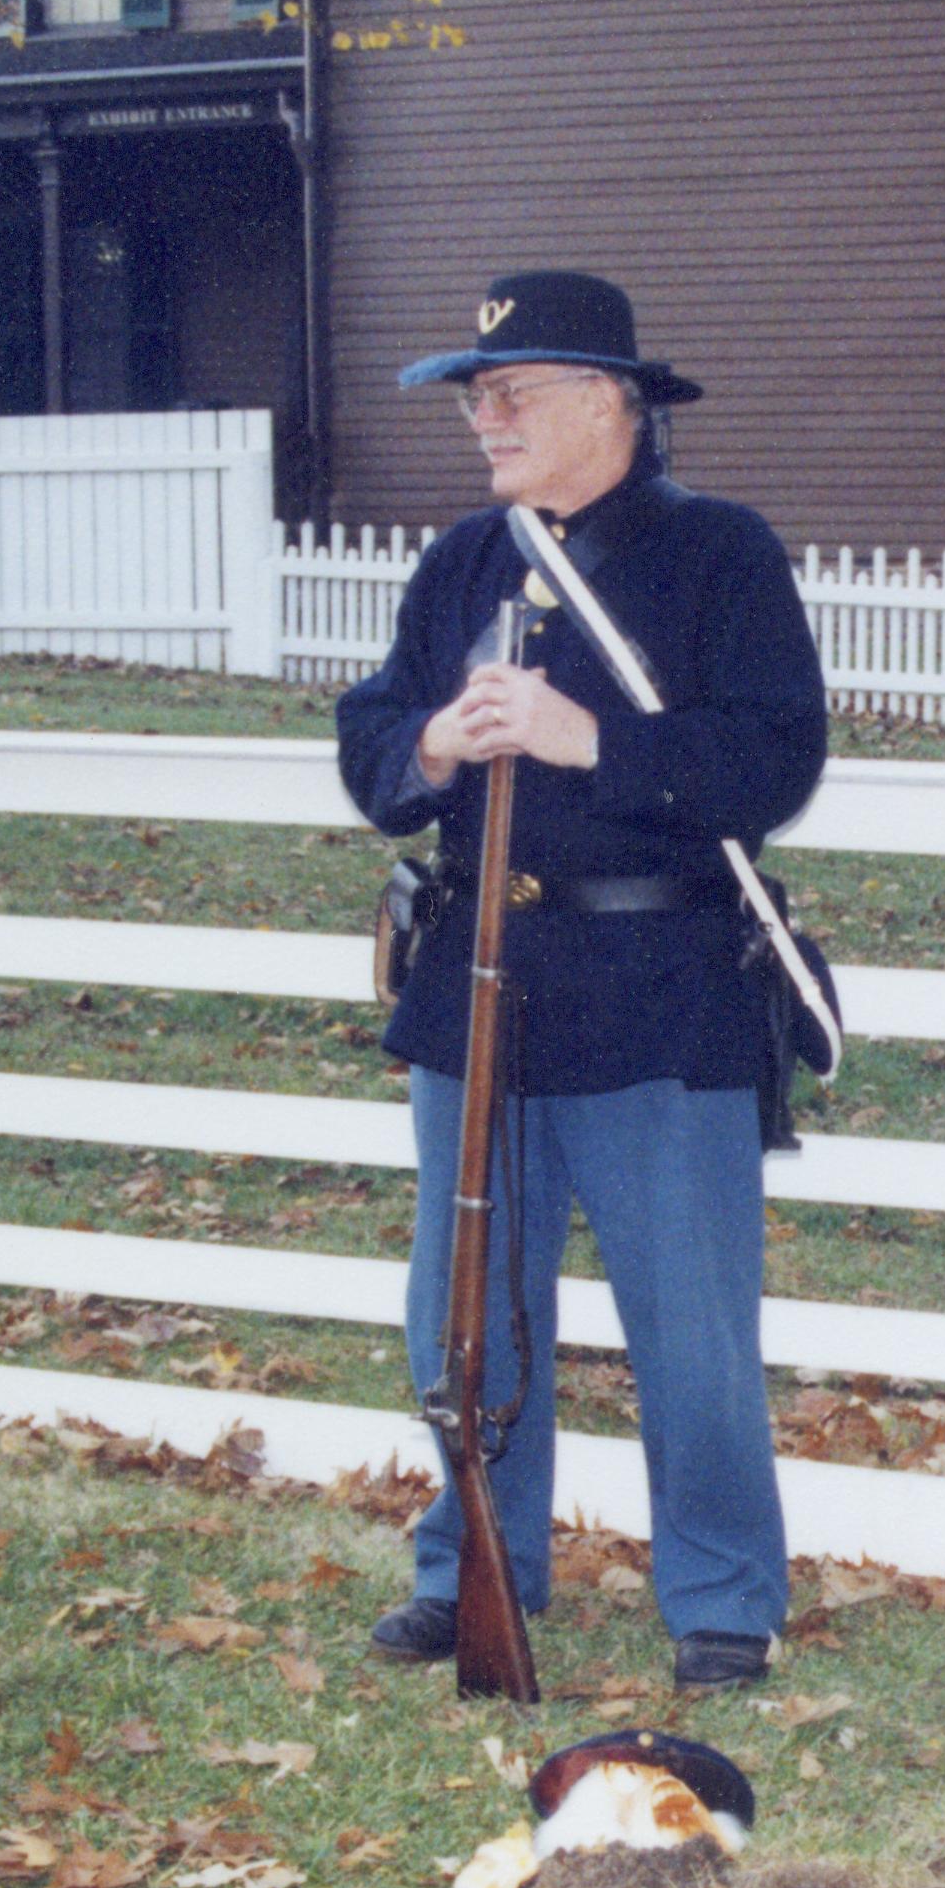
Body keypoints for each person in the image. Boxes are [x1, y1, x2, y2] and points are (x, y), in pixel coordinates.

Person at [335, 271, 826, 1693]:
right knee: (463, 1306)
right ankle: (471, 1563)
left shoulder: (718, 556)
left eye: (512, 395)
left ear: (611, 405)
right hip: (476, 985)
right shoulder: (461, 564)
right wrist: (430, 746)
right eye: (474, 397)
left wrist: (583, 739)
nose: (482, 420)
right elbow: (372, 734)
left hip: (660, 989)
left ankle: (723, 1599)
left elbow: (773, 760)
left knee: (691, 1323)